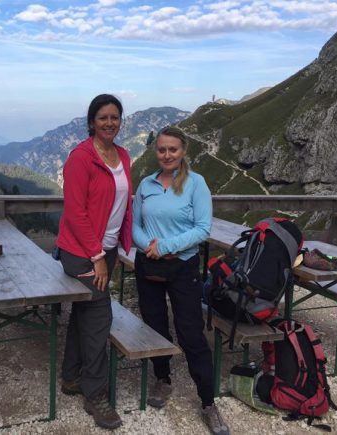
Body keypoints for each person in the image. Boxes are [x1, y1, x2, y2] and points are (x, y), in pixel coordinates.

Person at [132, 126, 230, 435]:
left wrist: (165, 246)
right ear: (155, 151)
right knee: (155, 325)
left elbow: (203, 229)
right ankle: (163, 379)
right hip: (148, 265)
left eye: (173, 149)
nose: (167, 155)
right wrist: (148, 246)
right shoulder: (145, 185)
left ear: (183, 151)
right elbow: (134, 225)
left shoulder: (196, 184)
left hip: (183, 267)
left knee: (191, 333)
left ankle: (207, 402)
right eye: (161, 149)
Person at [55, 94, 133, 430]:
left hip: (109, 248)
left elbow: (123, 203)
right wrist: (98, 256)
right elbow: (75, 212)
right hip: (82, 252)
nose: (110, 123)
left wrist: (121, 245)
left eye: (115, 117)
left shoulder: (124, 156)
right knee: (100, 317)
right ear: (91, 122)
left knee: (85, 312)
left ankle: (71, 377)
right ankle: (96, 394)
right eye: (103, 117)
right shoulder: (80, 158)